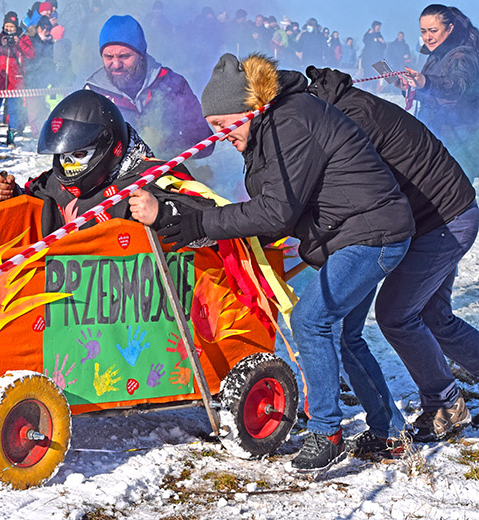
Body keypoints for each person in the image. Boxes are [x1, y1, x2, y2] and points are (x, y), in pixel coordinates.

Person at [146, 53, 415, 472]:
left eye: (221, 124)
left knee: (311, 320)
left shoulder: (290, 121)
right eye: (212, 127)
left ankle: (327, 432)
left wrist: (206, 222)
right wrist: (208, 229)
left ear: (247, 109)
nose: (217, 136)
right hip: (358, 231)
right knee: (344, 333)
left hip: (373, 232)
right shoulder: (271, 126)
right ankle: (390, 433)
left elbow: (274, 211)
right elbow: (275, 209)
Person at [307, 64, 478, 446]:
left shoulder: (352, 120)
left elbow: (355, 191)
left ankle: (444, 402)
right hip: (444, 213)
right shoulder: (343, 107)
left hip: (443, 219)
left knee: (397, 314)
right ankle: (445, 397)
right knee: (435, 315)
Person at [0, 89, 213, 237]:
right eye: (65, 157)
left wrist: (163, 214)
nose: (69, 165)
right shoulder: (54, 182)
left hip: (137, 303)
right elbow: (28, 206)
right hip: (66, 303)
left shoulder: (154, 176)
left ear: (108, 145)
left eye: (78, 155)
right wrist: (7, 194)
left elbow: (216, 227)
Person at [85, 15, 213, 160]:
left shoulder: (171, 83)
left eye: (124, 56)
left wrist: (165, 150)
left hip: (166, 172)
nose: (116, 65)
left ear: (141, 54)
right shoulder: (93, 94)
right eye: (108, 57)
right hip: (118, 180)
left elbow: (205, 142)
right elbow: (83, 150)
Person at [403, 4, 479, 178]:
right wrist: (410, 87)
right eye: (423, 31)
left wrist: (426, 82)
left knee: (455, 195)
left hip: (461, 139)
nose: (427, 37)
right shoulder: (436, 55)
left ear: (450, 28)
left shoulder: (463, 55)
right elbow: (431, 94)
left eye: (433, 30)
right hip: (437, 134)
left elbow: (459, 86)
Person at [0, 11, 34, 146]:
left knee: (13, 110)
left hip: (15, 81)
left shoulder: (23, 38)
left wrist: (19, 44)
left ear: (16, 27)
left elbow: (31, 55)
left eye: (11, 26)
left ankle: (11, 135)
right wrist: (0, 44)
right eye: (7, 26)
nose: (9, 29)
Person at [23, 15, 55, 138]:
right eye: (43, 27)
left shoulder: (50, 42)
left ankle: (43, 130)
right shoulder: (32, 41)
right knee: (33, 108)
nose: (46, 30)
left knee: (43, 107)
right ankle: (36, 132)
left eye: (48, 27)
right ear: (38, 28)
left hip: (45, 79)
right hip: (32, 79)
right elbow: (30, 60)